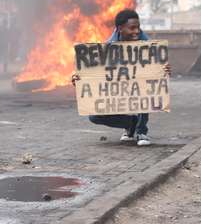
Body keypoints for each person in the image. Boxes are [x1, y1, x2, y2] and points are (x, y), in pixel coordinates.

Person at [72, 9, 171, 146]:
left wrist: (163, 70)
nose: (136, 31)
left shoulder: (148, 45)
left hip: (138, 85)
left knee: (144, 91)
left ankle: (141, 131)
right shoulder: (108, 47)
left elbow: (157, 71)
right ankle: (131, 124)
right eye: (132, 28)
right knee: (94, 116)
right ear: (120, 29)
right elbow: (97, 73)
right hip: (121, 87)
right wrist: (80, 78)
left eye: (138, 27)